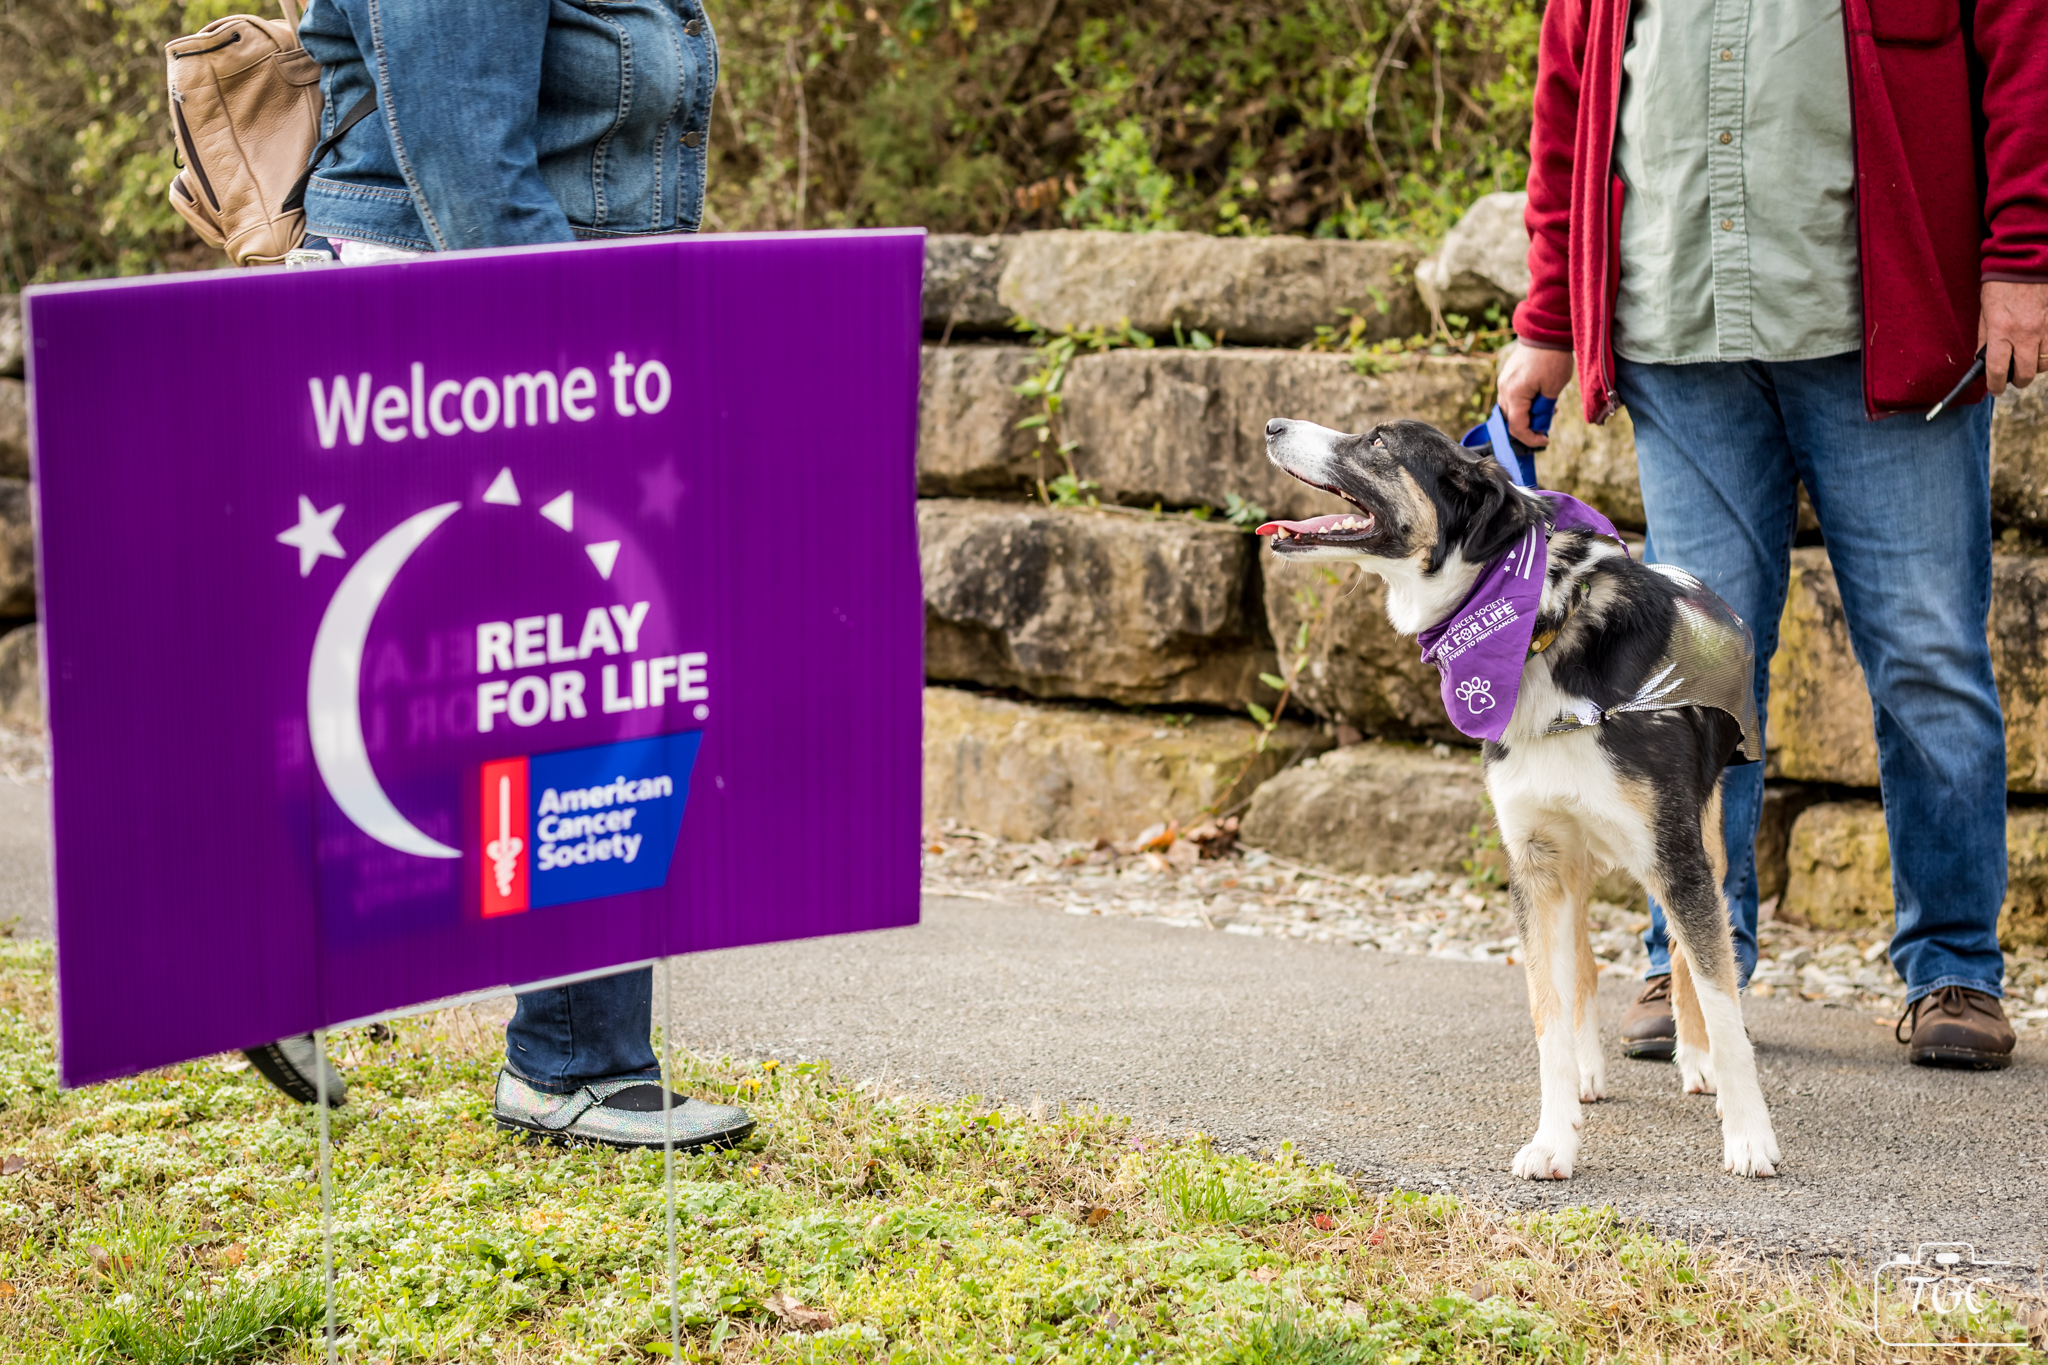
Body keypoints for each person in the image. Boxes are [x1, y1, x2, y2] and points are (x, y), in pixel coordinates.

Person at [241, 0, 754, 1148]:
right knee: (569, 682)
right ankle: (572, 1062)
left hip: (540, 284)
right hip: (473, 296)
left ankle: (268, 944)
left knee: (550, 680)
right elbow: (463, 148)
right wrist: (570, 355)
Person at [1496, 0, 2046, 1069]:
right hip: (1678, 331)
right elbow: (1568, 98)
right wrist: (1550, 315)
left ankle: (1953, 969)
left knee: (1926, 651)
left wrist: (2021, 255)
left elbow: (2024, 49)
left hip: (1887, 320)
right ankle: (1693, 961)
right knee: (1692, 673)